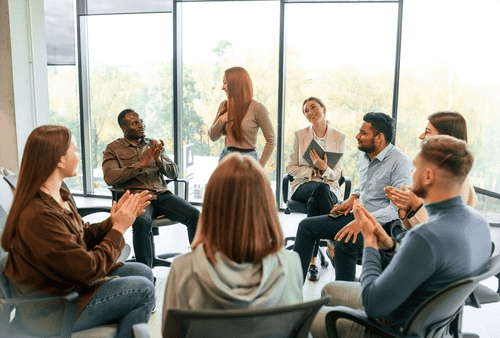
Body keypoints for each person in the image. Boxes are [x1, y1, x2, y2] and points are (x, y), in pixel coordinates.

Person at [311, 135, 492, 338]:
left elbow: (372, 305)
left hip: (391, 329)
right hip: (430, 323)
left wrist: (370, 241)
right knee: (329, 289)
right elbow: (427, 263)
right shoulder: (479, 224)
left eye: (414, 167)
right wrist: (385, 241)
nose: (410, 172)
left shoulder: (426, 237)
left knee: (310, 317)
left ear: (428, 176)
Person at [1, 125, 155, 337]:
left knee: (143, 272)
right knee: (143, 289)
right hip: (53, 309)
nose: (79, 156)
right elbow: (88, 269)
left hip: (70, 286)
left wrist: (113, 221)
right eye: (74, 150)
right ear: (59, 160)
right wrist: (119, 228)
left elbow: (83, 235)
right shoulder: (39, 215)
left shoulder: (60, 194)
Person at [162, 153, 303, 331]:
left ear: (211, 206)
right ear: (267, 206)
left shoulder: (183, 270)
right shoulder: (293, 265)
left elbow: (170, 335)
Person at [293, 112, 412, 282]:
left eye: (363, 133)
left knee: (344, 243)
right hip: (359, 215)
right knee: (306, 226)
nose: (357, 136)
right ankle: (293, 289)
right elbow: (364, 184)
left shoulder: (400, 162)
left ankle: (344, 301)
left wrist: (362, 223)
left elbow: (396, 209)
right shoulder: (365, 156)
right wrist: (353, 197)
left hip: (382, 226)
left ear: (379, 138)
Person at [102, 109, 200, 268]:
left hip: (162, 195)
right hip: (137, 197)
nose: (141, 125)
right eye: (135, 123)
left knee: (195, 215)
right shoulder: (113, 148)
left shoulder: (153, 144)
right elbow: (110, 177)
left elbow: (174, 174)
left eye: (141, 121)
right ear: (124, 128)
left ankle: (198, 267)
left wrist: (159, 160)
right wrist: (140, 165)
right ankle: (145, 275)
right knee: (141, 222)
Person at [385, 111, 477, 234]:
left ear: (445, 137)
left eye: (427, 132)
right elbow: (422, 228)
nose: (421, 136)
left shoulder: (455, 181)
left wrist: (416, 206)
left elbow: (441, 233)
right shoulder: (435, 172)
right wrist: (406, 212)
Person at [286, 97, 346, 281]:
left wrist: (325, 168)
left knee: (317, 198)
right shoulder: (300, 135)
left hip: (329, 188)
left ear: (323, 109)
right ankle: (331, 240)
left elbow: (337, 174)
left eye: (313, 107)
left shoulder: (339, 137)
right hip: (303, 185)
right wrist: (313, 170)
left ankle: (312, 261)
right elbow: (290, 168)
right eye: (305, 110)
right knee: (319, 189)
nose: (309, 112)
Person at [208, 66, 276, 167]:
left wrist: (259, 167)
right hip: (226, 158)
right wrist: (222, 120)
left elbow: (271, 141)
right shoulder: (224, 105)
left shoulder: (257, 108)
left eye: (225, 82)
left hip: (249, 160)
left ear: (235, 83)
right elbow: (213, 137)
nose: (223, 87)